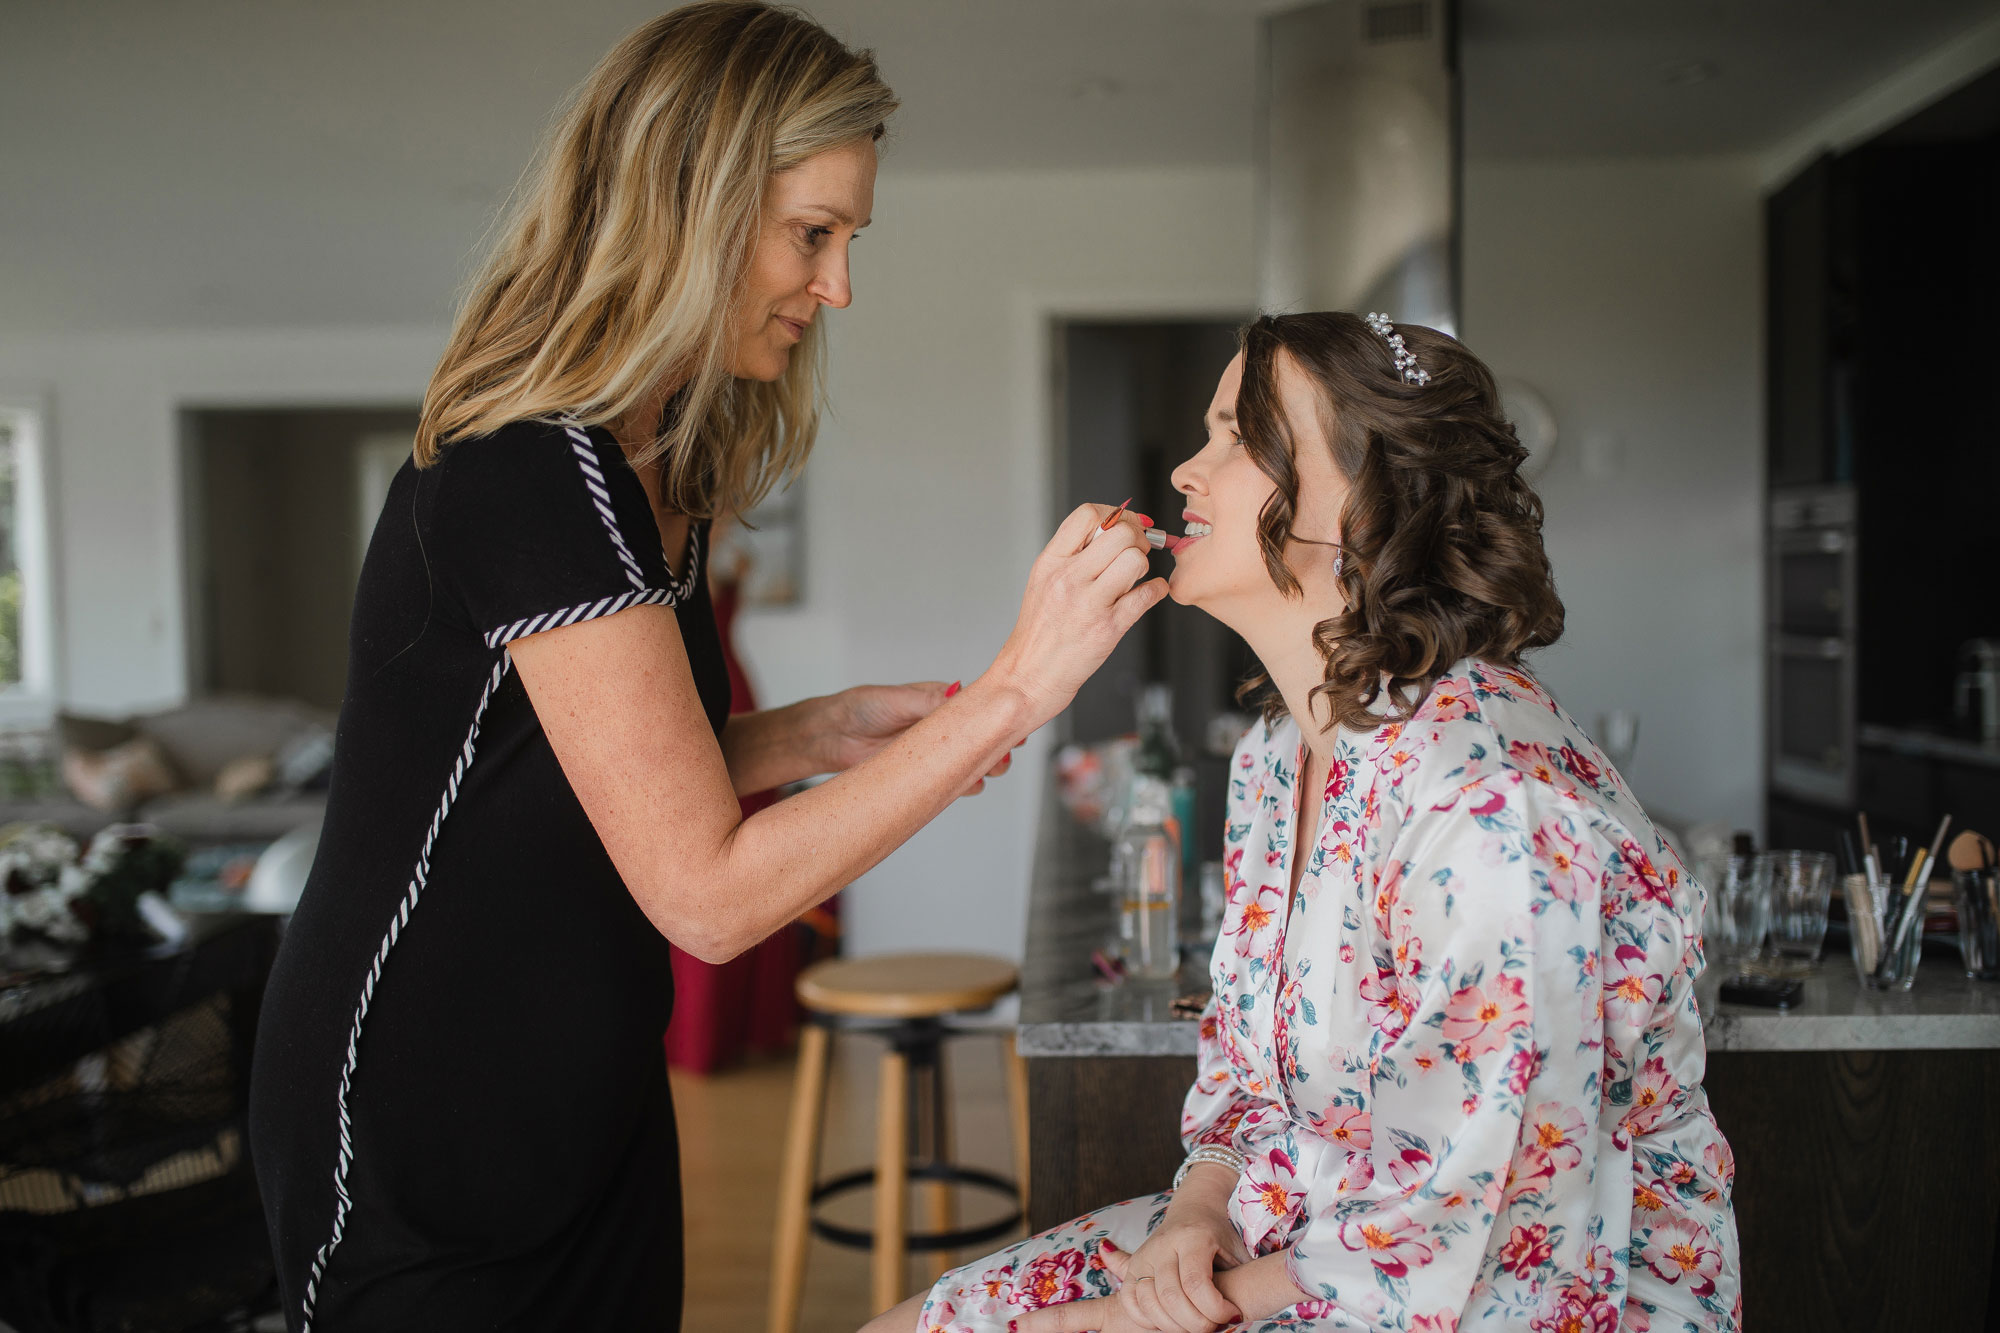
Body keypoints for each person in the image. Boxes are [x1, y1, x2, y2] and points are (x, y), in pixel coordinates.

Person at [246, 6, 1166, 1329]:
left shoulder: (639, 461)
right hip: (425, 1113)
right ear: (689, 202)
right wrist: (1022, 686)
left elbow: (560, 781)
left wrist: (816, 732)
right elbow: (711, 897)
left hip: (582, 1089)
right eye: (812, 234)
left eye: (849, 240)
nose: (837, 285)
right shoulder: (531, 468)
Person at [876, 313, 1741, 1333]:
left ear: (1367, 501)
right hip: (1303, 1232)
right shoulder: (1277, 756)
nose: (1187, 475)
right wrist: (1196, 1213)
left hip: (1525, 1294)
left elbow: (1485, 1218)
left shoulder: (1495, 810)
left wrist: (1118, 1320)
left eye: (1235, 441)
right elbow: (1246, 1074)